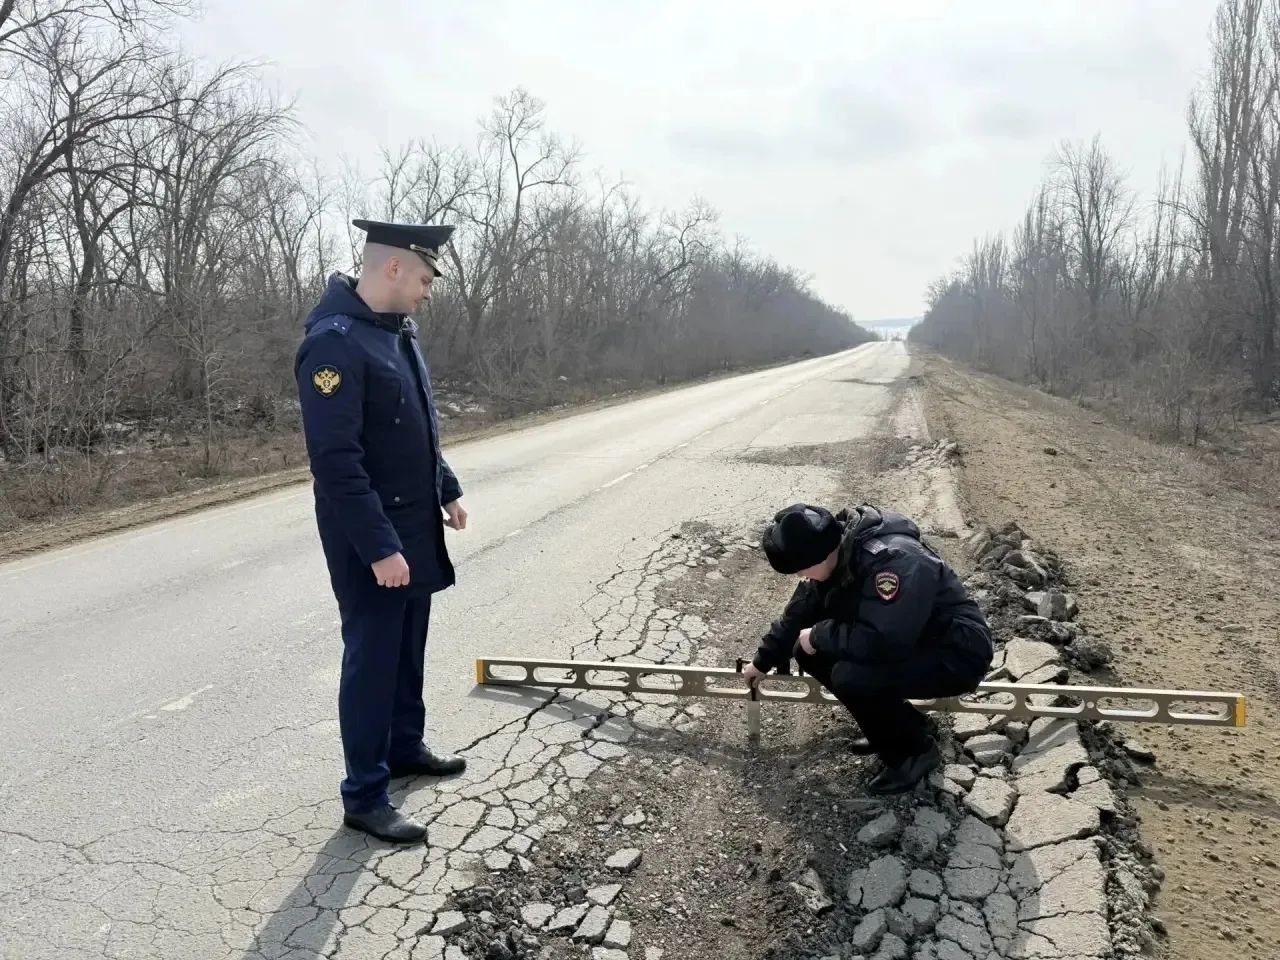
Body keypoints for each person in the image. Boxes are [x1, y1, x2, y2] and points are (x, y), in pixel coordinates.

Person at [294, 218, 469, 844]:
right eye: (424, 277)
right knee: (372, 657)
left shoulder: (396, 334)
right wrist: (379, 547)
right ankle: (365, 794)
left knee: (408, 644)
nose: (427, 290)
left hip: (410, 522)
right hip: (369, 535)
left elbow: (414, 425)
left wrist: (443, 486)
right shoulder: (335, 344)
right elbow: (336, 462)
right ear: (392, 268)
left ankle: (403, 746)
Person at [744, 503, 994, 795]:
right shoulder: (836, 552)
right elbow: (799, 612)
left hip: (956, 652)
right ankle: (903, 728)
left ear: (819, 555)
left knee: (853, 677)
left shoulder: (896, 562)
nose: (801, 577)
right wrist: (762, 661)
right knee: (806, 651)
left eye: (801, 570)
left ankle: (913, 755)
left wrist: (822, 633)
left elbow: (885, 641)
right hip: (915, 642)